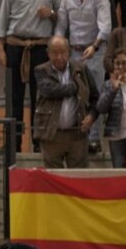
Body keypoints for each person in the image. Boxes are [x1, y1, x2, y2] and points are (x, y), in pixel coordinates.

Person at [0, 0, 62, 152]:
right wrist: (0, 49)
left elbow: (63, 16)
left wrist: (51, 13)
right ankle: (13, 143)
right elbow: (2, 20)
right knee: (13, 97)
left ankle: (39, 143)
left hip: (41, 49)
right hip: (15, 47)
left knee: (40, 97)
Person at [33, 36, 96, 168]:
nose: (59, 57)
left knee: (78, 175)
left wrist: (92, 116)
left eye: (63, 52)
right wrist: (74, 88)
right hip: (51, 134)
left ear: (69, 52)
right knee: (53, 176)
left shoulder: (81, 69)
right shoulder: (41, 70)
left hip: (77, 134)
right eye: (55, 53)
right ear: (48, 53)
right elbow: (49, 90)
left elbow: (95, 97)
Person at [56, 0, 112, 107]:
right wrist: (60, 49)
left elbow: (106, 27)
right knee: (75, 96)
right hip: (74, 53)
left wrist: (94, 47)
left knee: (95, 97)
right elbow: (60, 27)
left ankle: (95, 124)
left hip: (95, 52)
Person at [83, 46, 126, 167]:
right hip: (117, 136)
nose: (120, 67)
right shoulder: (108, 85)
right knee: (118, 171)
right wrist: (113, 90)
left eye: (124, 63)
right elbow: (101, 108)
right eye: (117, 63)